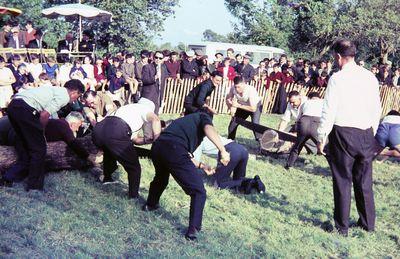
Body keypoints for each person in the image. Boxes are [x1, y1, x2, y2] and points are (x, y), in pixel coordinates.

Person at [317, 39, 381, 236]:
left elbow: (329, 109)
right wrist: (372, 131)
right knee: (364, 181)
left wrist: (321, 136)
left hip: (343, 132)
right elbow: (376, 108)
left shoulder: (337, 78)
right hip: (366, 132)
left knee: (343, 180)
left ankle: (341, 227)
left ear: (338, 57)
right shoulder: (370, 77)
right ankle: (368, 224)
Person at [142, 112, 230, 241]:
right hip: (173, 149)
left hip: (158, 147)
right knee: (199, 191)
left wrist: (201, 166)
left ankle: (150, 205)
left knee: (161, 179)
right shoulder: (202, 116)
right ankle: (193, 230)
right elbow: (208, 128)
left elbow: (183, 152)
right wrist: (222, 150)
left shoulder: (183, 123)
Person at [0, 79, 84, 190]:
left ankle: (8, 178)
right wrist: (41, 134)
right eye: (77, 97)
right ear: (74, 92)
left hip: (13, 106)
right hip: (25, 109)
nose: (74, 100)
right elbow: (44, 115)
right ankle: (34, 187)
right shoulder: (64, 96)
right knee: (39, 150)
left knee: (26, 149)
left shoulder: (53, 89)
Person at [92, 98, 161, 199]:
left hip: (98, 131)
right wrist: (157, 141)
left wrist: (146, 141)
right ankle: (133, 195)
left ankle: (107, 178)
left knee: (110, 150)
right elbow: (156, 119)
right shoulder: (144, 109)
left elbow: (134, 140)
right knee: (134, 167)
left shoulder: (127, 109)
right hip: (116, 130)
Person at [285, 92, 323, 169]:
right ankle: (336, 170)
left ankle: (289, 165)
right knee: (324, 148)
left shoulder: (305, 103)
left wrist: (296, 130)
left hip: (304, 122)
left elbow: (298, 118)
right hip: (316, 123)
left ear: (309, 98)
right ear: (319, 97)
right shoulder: (323, 102)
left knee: (297, 147)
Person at [226, 76, 262, 142]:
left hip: (255, 107)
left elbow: (253, 109)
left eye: (239, 87)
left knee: (255, 125)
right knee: (233, 124)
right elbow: (228, 98)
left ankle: (263, 146)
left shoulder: (251, 90)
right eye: (236, 87)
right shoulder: (233, 88)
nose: (237, 89)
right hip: (242, 105)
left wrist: (237, 105)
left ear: (244, 84)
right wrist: (230, 106)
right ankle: (230, 142)